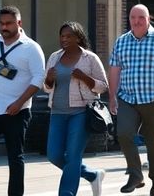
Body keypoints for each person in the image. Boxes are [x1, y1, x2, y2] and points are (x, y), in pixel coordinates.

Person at [109, 4, 154, 196]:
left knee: (153, 142)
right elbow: (115, 70)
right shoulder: (121, 41)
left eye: (141, 17)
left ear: (149, 19)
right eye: (133, 17)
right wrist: (112, 96)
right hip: (128, 99)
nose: (137, 21)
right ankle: (135, 175)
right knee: (124, 133)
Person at [0, 6, 46, 196]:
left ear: (19, 23)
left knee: (15, 156)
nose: (4, 27)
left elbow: (38, 79)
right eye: (1, 23)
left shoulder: (31, 48)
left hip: (16, 110)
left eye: (8, 23)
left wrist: (19, 102)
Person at [43, 22, 108, 196]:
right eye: (62, 36)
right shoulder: (55, 57)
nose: (64, 39)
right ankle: (92, 174)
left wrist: (85, 78)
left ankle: (67, 193)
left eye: (68, 36)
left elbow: (103, 86)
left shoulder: (90, 58)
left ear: (78, 37)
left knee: (73, 156)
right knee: (54, 155)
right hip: (57, 112)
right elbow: (47, 88)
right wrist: (48, 79)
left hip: (80, 113)